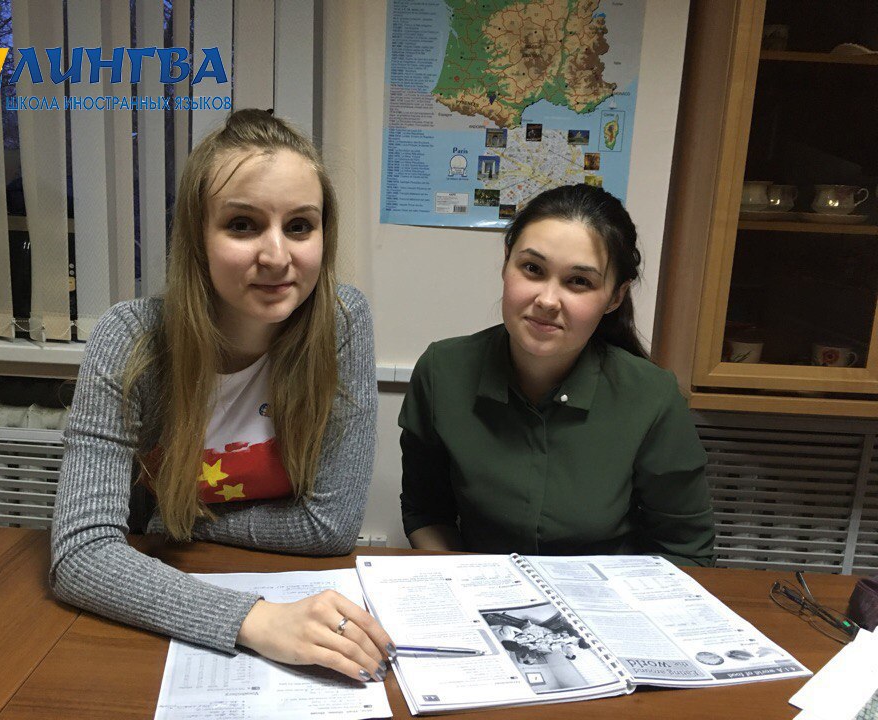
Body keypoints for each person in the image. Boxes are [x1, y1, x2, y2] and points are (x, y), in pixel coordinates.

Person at [51, 109, 393, 683]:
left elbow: (329, 526)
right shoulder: (129, 339)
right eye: (242, 225)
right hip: (140, 621)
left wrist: (171, 522)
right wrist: (256, 622)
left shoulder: (342, 322)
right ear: (197, 238)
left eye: (300, 226)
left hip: (192, 564)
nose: (277, 256)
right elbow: (82, 554)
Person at [399, 183, 715, 566]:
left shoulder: (653, 397)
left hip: (606, 596)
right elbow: (426, 513)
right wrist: (463, 581)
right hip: (481, 590)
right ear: (506, 263)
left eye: (579, 281)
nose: (547, 301)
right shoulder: (442, 372)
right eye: (532, 269)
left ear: (615, 297)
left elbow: (685, 551)